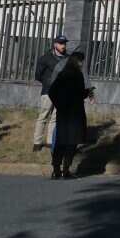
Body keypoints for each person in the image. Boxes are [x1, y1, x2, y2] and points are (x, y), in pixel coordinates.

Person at [46, 51, 90, 180]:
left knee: (60, 142)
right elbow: (81, 94)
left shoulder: (62, 74)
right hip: (75, 114)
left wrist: (59, 104)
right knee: (72, 142)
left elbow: (52, 91)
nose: (82, 64)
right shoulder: (78, 76)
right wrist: (86, 93)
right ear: (77, 61)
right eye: (81, 61)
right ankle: (66, 170)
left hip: (63, 114)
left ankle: (55, 169)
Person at [32, 36, 68, 151]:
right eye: (61, 43)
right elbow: (38, 75)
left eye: (64, 43)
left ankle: (50, 142)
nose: (63, 46)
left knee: (55, 118)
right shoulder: (45, 58)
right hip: (48, 92)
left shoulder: (67, 58)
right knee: (43, 116)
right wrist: (49, 82)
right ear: (55, 44)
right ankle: (37, 143)